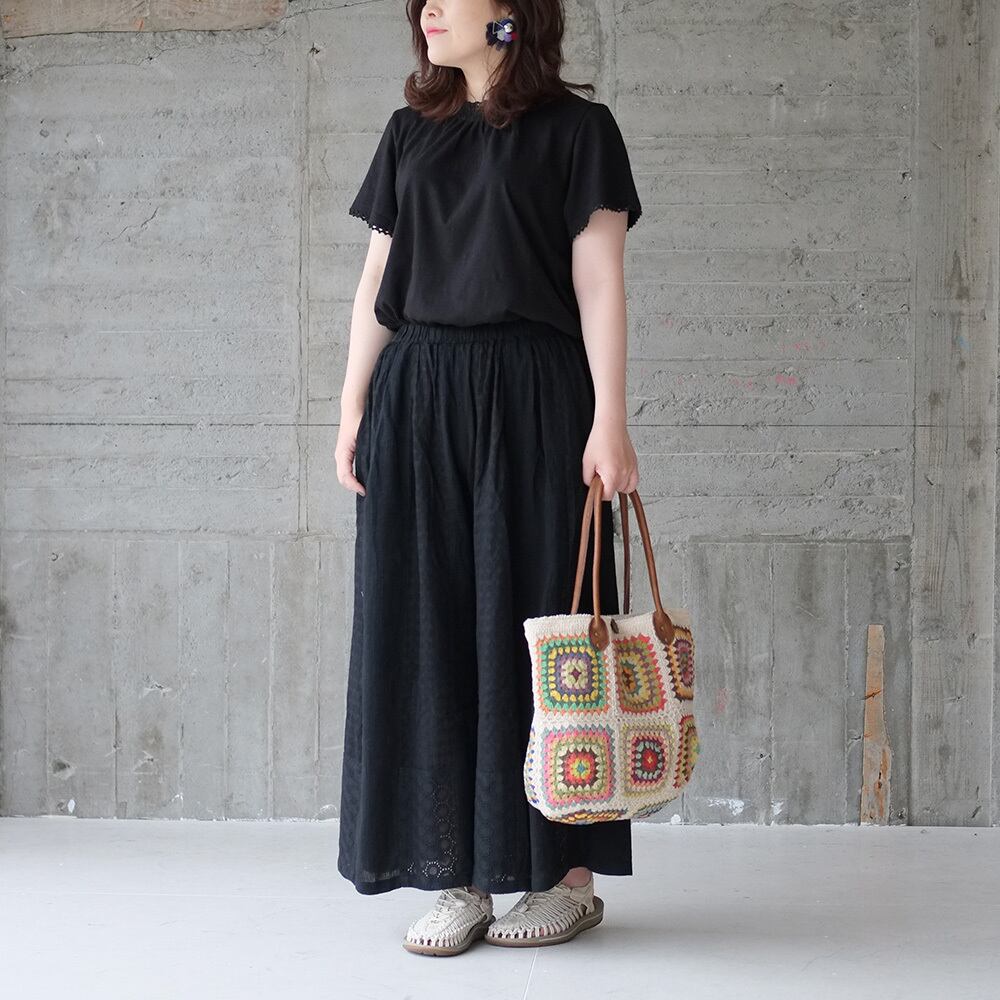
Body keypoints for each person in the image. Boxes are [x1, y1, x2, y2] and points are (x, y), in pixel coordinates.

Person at [335, 0, 643, 957]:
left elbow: (600, 282)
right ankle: (456, 874)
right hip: (419, 397)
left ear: (511, 14)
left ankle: (566, 880)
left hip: (536, 399)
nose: (428, 8)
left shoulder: (578, 131)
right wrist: (350, 408)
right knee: (430, 627)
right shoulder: (409, 132)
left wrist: (610, 416)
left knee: (546, 623)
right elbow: (377, 281)